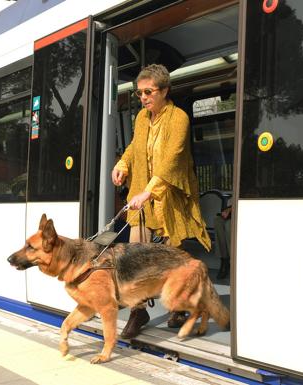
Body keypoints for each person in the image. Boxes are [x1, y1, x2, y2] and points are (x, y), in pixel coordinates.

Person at [111, 64, 211, 339]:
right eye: (139, 93)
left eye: (148, 92)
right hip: (144, 199)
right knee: (135, 258)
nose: (143, 98)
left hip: (170, 199)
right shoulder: (142, 118)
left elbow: (172, 159)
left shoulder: (179, 118)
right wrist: (123, 164)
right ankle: (138, 310)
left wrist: (148, 191)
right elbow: (134, 146)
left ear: (164, 91)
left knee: (172, 260)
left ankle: (179, 306)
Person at [214, 205, 231, 280]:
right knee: (218, 220)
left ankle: (232, 260)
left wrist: (230, 210)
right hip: (232, 211)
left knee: (228, 225)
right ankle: (224, 261)